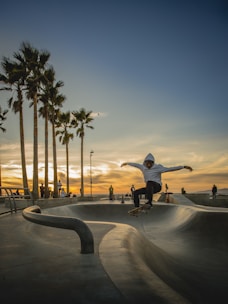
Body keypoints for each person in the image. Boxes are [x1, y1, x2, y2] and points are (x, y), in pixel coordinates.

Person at [121, 152, 193, 208]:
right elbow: (135, 164)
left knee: (149, 182)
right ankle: (136, 207)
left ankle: (149, 203)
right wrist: (127, 163)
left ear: (153, 163)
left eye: (150, 163)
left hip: (157, 187)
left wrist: (183, 167)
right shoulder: (142, 167)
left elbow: (170, 168)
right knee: (135, 192)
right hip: (149, 189)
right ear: (145, 163)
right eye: (147, 163)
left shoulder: (158, 167)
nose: (148, 165)